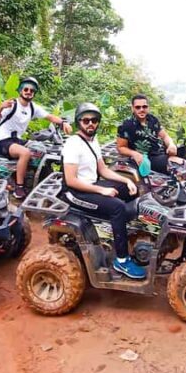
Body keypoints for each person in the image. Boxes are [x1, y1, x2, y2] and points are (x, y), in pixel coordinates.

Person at [61, 102, 146, 280]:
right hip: (75, 192)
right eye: (86, 120)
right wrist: (102, 190)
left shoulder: (93, 141)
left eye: (94, 120)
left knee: (130, 190)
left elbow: (103, 170)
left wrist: (126, 181)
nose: (90, 124)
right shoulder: (73, 144)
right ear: (78, 122)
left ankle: (121, 230)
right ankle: (122, 260)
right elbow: (71, 180)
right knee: (117, 207)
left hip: (91, 184)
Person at [0, 76, 71, 199]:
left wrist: (63, 123)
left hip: (17, 140)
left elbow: (49, 116)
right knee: (25, 153)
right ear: (21, 90)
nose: (28, 92)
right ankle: (19, 187)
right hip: (3, 141)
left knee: (41, 149)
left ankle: (32, 179)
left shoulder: (33, 107)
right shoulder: (12, 104)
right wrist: (1, 106)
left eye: (32, 90)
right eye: (26, 89)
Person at [116, 94, 185, 176]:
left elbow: (165, 136)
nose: (141, 109)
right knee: (184, 166)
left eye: (144, 107)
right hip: (147, 158)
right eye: (138, 107)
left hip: (160, 152)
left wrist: (171, 144)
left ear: (148, 107)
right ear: (132, 108)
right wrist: (134, 154)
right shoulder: (126, 125)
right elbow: (121, 147)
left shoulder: (152, 119)